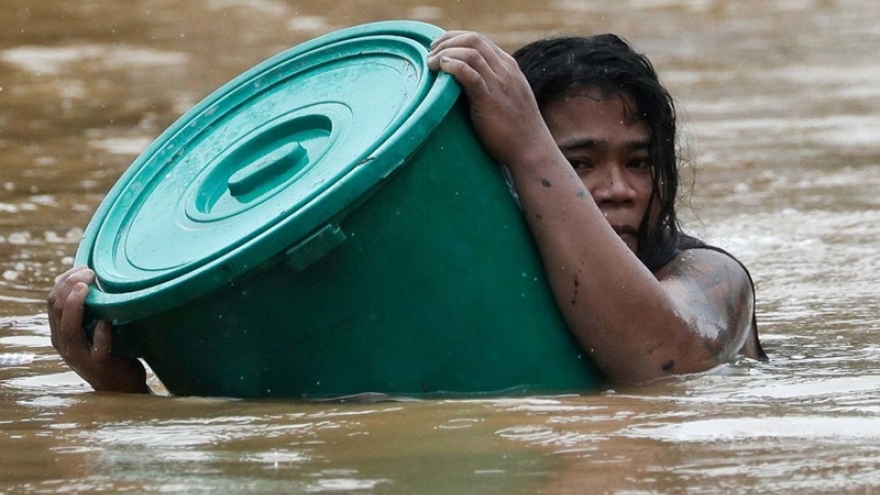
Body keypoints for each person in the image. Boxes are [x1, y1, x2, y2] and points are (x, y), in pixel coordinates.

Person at [47, 30, 765, 394]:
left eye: (639, 161)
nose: (619, 188)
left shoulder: (710, 276)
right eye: (578, 162)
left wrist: (529, 143)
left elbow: (667, 363)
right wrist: (126, 391)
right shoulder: (470, 293)